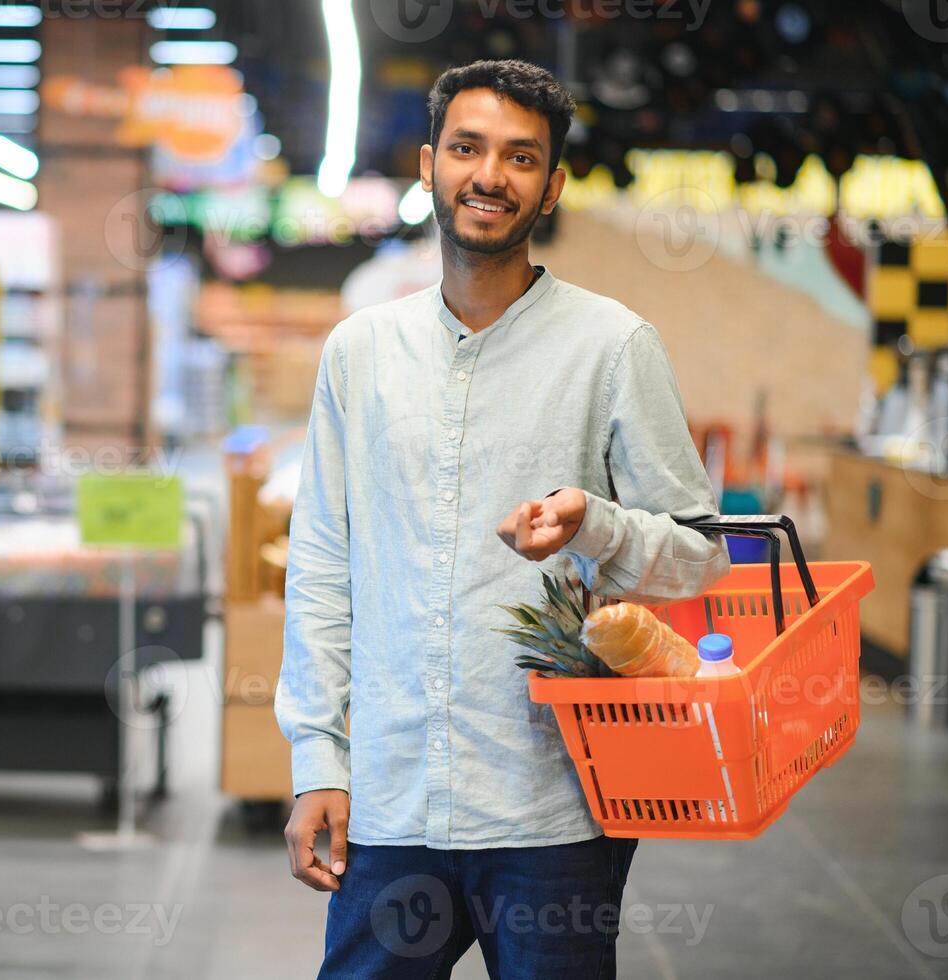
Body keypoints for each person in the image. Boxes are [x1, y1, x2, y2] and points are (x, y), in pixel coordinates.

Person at [275, 59, 731, 979]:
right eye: (467, 148)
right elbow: (322, 558)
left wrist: (596, 524)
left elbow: (699, 556)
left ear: (551, 185)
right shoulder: (360, 352)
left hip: (553, 809)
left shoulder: (612, 347)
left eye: (521, 157)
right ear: (428, 164)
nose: (490, 174)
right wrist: (318, 758)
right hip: (393, 804)